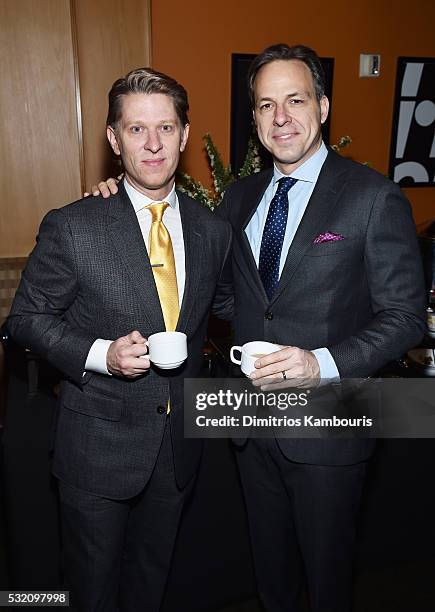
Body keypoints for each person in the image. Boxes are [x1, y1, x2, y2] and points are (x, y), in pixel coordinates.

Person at [93, 45, 426, 612]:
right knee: (270, 577)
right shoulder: (239, 199)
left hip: (330, 422)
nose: (281, 117)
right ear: (253, 121)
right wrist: (114, 202)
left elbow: (405, 318)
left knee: (327, 583)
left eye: (295, 100)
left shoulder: (373, 198)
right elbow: (218, 287)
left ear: (322, 107)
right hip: (249, 422)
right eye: (266, 105)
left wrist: (321, 363)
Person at [7, 68, 232, 611]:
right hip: (97, 449)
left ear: (183, 133)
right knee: (92, 591)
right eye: (136, 130)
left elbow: (230, 307)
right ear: (113, 139)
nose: (153, 144)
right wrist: (100, 355)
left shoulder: (212, 230)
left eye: (165, 128)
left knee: (150, 584)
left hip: (179, 445)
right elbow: (25, 319)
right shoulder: (74, 225)